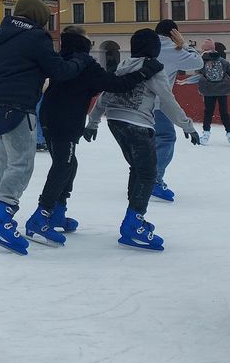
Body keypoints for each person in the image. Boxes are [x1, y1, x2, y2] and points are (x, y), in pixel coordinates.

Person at [0, 0, 89, 255]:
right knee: (21, 164)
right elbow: (58, 70)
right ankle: (2, 218)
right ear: (38, 17)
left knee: (4, 162)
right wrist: (79, 61)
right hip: (18, 107)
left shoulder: (2, 36)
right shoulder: (37, 37)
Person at [30, 26, 162, 244]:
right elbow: (116, 85)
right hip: (66, 120)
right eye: (89, 41)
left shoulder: (63, 59)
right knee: (64, 165)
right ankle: (42, 215)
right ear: (81, 41)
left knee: (68, 165)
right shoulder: (85, 63)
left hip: (49, 117)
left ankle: (57, 211)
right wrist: (145, 71)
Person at [85, 29, 200, 250]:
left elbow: (106, 93)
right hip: (138, 124)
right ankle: (133, 223)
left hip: (115, 120)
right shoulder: (155, 69)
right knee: (147, 173)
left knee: (137, 169)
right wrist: (187, 125)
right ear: (154, 49)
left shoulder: (124, 64)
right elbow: (167, 100)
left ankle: (133, 217)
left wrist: (93, 121)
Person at [151, 20, 203, 202]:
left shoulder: (147, 44)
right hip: (157, 103)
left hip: (134, 103)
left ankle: (140, 177)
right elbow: (198, 62)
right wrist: (184, 43)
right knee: (166, 138)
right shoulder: (173, 49)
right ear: (174, 33)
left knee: (147, 141)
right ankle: (153, 180)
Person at [196, 38, 230, 144]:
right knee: (224, 113)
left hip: (208, 91)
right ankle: (229, 134)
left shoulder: (201, 61)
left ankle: (205, 135)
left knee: (208, 113)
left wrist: (185, 81)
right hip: (223, 90)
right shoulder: (223, 61)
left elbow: (198, 75)